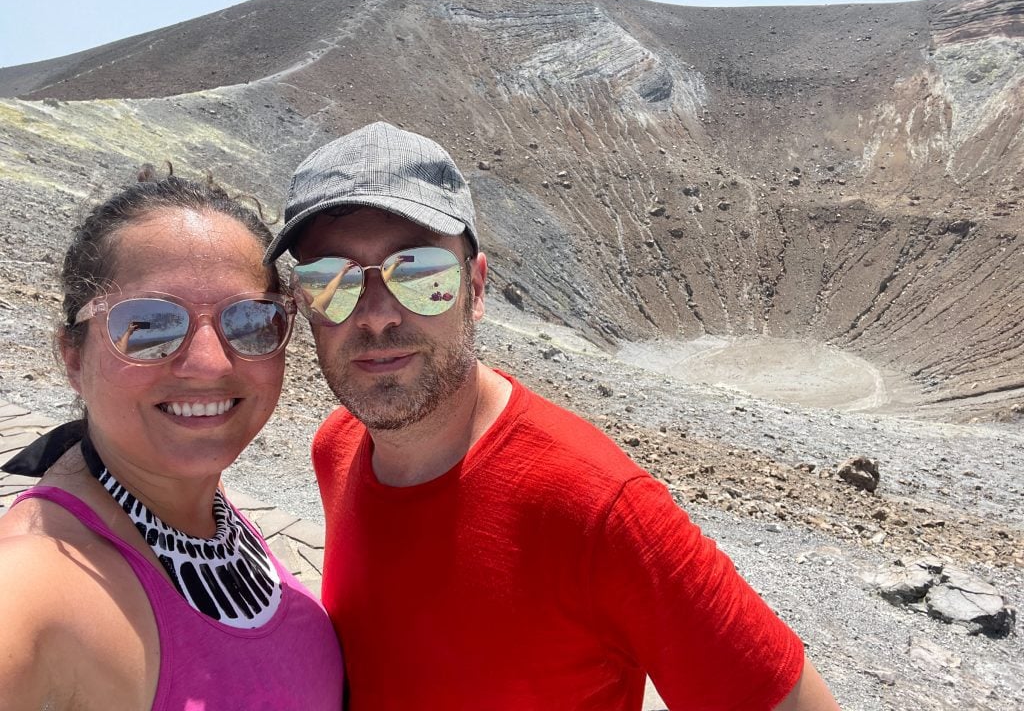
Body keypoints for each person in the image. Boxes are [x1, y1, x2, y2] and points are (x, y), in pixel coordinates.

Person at [264, 121, 841, 710]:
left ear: (476, 288)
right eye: (328, 280)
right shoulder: (337, 446)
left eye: (418, 274)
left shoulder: (600, 508)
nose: (376, 315)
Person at [0, 170, 344, 710]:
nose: (209, 364)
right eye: (150, 324)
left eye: (250, 320)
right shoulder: (36, 582)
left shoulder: (195, 506)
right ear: (73, 357)